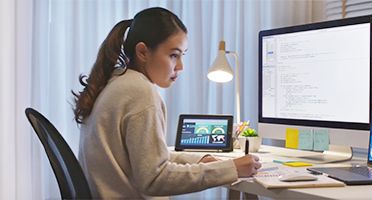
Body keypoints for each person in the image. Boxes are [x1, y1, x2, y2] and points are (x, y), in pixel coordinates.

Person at [72, 7, 261, 199]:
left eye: (182, 55)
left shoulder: (116, 82)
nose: (180, 67)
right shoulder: (140, 92)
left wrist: (202, 160)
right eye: (173, 55)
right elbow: (154, 179)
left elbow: (149, 160)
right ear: (143, 52)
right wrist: (230, 169)